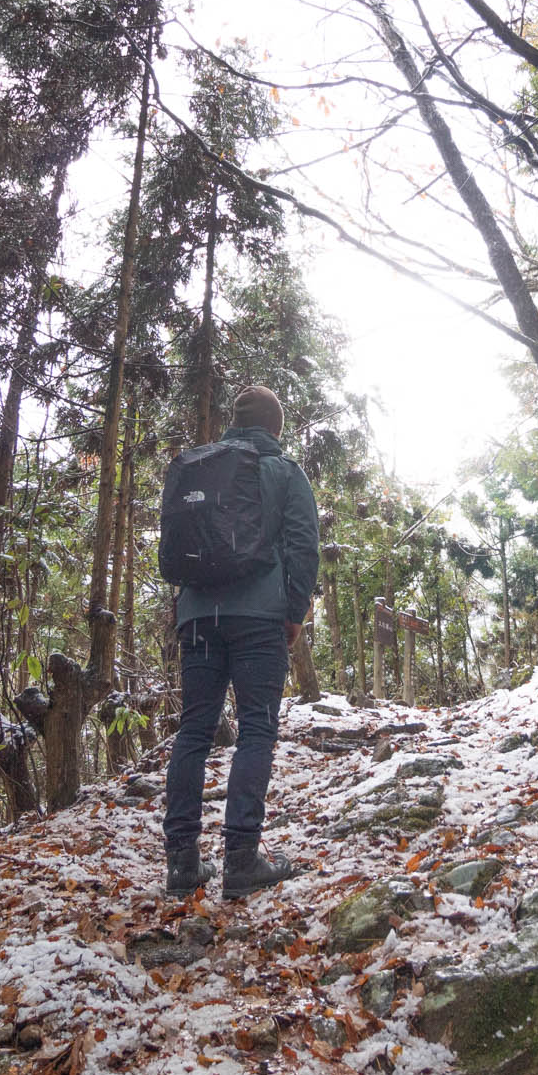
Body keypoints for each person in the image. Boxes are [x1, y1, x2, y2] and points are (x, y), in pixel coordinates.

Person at [163, 385, 320, 898]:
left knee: (194, 730)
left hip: (197, 617)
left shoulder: (198, 467)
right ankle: (241, 859)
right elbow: (303, 544)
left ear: (233, 423)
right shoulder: (284, 471)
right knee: (256, 729)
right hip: (258, 618)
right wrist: (293, 611)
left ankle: (183, 863)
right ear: (275, 426)